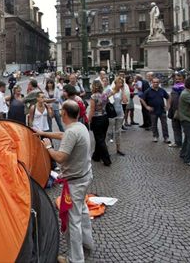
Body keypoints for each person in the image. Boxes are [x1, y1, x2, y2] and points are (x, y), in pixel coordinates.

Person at [38, 100, 94, 263]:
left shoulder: (72, 132)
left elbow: (61, 158)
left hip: (75, 183)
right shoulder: (80, 126)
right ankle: (87, 242)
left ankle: (75, 259)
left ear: (63, 114)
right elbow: (64, 136)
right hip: (85, 176)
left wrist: (48, 148)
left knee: (73, 221)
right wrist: (44, 133)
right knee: (83, 211)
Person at [88, 80, 111, 166]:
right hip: (105, 118)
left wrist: (88, 120)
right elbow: (107, 104)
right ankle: (96, 156)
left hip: (97, 119)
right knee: (101, 138)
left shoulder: (93, 96)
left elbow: (92, 110)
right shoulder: (104, 95)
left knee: (99, 139)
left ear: (93, 86)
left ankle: (106, 159)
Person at [140, 78, 169, 143]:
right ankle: (155, 136)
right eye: (154, 82)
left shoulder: (162, 90)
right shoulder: (148, 90)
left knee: (164, 125)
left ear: (159, 83)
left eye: (157, 82)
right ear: (152, 83)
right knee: (154, 125)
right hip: (153, 111)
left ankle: (166, 137)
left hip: (162, 110)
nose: (156, 83)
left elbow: (168, 97)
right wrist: (146, 106)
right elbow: (142, 99)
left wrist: (167, 106)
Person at [105, 76, 128, 155]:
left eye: (122, 83)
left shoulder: (121, 91)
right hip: (111, 114)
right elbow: (106, 99)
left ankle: (118, 149)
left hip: (120, 113)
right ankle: (106, 150)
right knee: (109, 131)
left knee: (118, 131)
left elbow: (125, 101)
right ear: (115, 83)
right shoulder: (110, 90)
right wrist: (113, 93)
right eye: (119, 83)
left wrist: (123, 90)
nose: (121, 84)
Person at [167, 72, 185, 148]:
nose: (177, 80)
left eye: (179, 79)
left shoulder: (184, 88)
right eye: (176, 79)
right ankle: (178, 142)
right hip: (173, 110)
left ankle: (186, 145)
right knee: (175, 127)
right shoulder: (174, 87)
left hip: (182, 111)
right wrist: (168, 105)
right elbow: (171, 96)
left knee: (185, 128)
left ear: (184, 79)